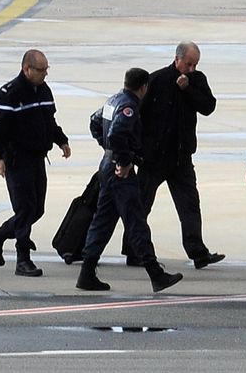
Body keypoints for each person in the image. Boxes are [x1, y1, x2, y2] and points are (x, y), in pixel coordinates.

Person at [77, 67, 183, 293]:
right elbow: (117, 134)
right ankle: (155, 273)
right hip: (118, 171)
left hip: (106, 167)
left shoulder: (114, 99)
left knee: (103, 221)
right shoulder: (129, 107)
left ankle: (86, 272)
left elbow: (95, 123)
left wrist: (106, 148)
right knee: (136, 221)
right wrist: (123, 161)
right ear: (143, 87)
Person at [122, 41, 225, 269]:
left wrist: (187, 88)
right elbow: (138, 115)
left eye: (195, 64)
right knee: (141, 204)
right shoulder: (156, 80)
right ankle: (133, 250)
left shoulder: (197, 80)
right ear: (177, 59)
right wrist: (137, 150)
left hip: (181, 158)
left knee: (189, 205)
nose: (191, 68)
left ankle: (198, 252)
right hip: (153, 158)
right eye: (188, 64)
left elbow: (209, 106)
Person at [0, 49, 71, 277]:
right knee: (25, 209)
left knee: (37, 209)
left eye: (46, 70)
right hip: (16, 159)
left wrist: (61, 141)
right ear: (27, 69)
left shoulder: (43, 90)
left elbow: (49, 121)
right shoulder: (9, 93)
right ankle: (23, 260)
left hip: (37, 158)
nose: (45, 74)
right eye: (41, 70)